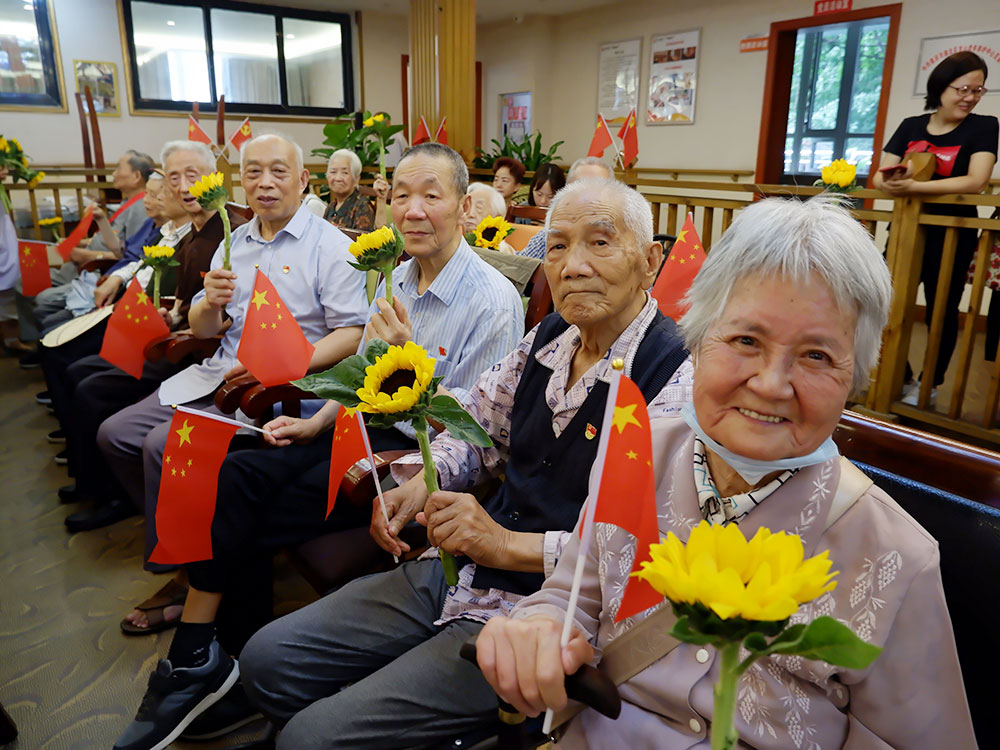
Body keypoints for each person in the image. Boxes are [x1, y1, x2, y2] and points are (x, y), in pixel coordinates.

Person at [477, 195, 977, 749]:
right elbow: (571, 597)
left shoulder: (897, 557)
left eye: (816, 356)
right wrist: (539, 632)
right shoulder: (633, 455)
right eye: (745, 341)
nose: (770, 384)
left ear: (854, 377)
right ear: (697, 342)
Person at [237, 178, 692, 750]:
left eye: (600, 243)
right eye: (556, 246)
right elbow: (477, 424)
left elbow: (647, 551)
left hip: (546, 620)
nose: (573, 265)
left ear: (650, 261)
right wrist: (420, 482)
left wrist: (506, 545)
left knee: (313, 738)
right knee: (267, 658)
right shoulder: (551, 336)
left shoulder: (675, 374)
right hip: (463, 570)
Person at [112, 142, 526, 750]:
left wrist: (408, 373)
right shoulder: (393, 277)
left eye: (431, 196)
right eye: (401, 195)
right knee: (236, 474)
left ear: (464, 207)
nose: (413, 210)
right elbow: (362, 376)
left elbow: (473, 433)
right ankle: (220, 661)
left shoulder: (492, 302)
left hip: (412, 461)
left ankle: (216, 666)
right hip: (358, 431)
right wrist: (319, 422)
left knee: (246, 502)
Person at [59, 141, 248, 529]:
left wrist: (183, 323)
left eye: (193, 175)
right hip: (178, 337)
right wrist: (172, 314)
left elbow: (230, 318)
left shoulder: (232, 232)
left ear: (216, 177)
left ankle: (115, 494)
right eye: (174, 178)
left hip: (196, 353)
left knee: (92, 389)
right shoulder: (192, 232)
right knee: (80, 372)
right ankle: (98, 483)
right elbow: (186, 301)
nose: (183, 186)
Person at [873, 51, 997, 405]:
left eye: (978, 90)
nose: (970, 97)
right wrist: (894, 183)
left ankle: (929, 383)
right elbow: (880, 176)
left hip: (953, 233)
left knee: (941, 310)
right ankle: (900, 374)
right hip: (905, 231)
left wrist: (913, 187)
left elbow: (976, 180)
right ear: (940, 88)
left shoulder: (984, 126)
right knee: (881, 301)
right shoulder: (911, 125)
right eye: (963, 89)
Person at [21, 149, 154, 353]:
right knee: (24, 279)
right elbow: (117, 241)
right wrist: (79, 243)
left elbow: (130, 253)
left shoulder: (141, 207)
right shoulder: (127, 203)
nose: (113, 174)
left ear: (137, 176)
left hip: (95, 270)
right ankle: (36, 345)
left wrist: (89, 256)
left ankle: (39, 347)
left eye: (119, 168)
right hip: (82, 265)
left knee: (41, 300)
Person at [520, 157, 614, 260]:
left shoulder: (622, 238)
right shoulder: (551, 234)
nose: (588, 196)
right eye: (580, 187)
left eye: (598, 188)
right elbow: (519, 264)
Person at [322, 148, 375, 231]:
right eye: (333, 172)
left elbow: (361, 237)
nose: (338, 178)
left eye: (345, 173)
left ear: (356, 179)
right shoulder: (331, 206)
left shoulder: (362, 206)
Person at [465, 183, 517, 254]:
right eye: (467, 207)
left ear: (497, 217)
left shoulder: (502, 251)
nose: (470, 214)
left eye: (479, 208)